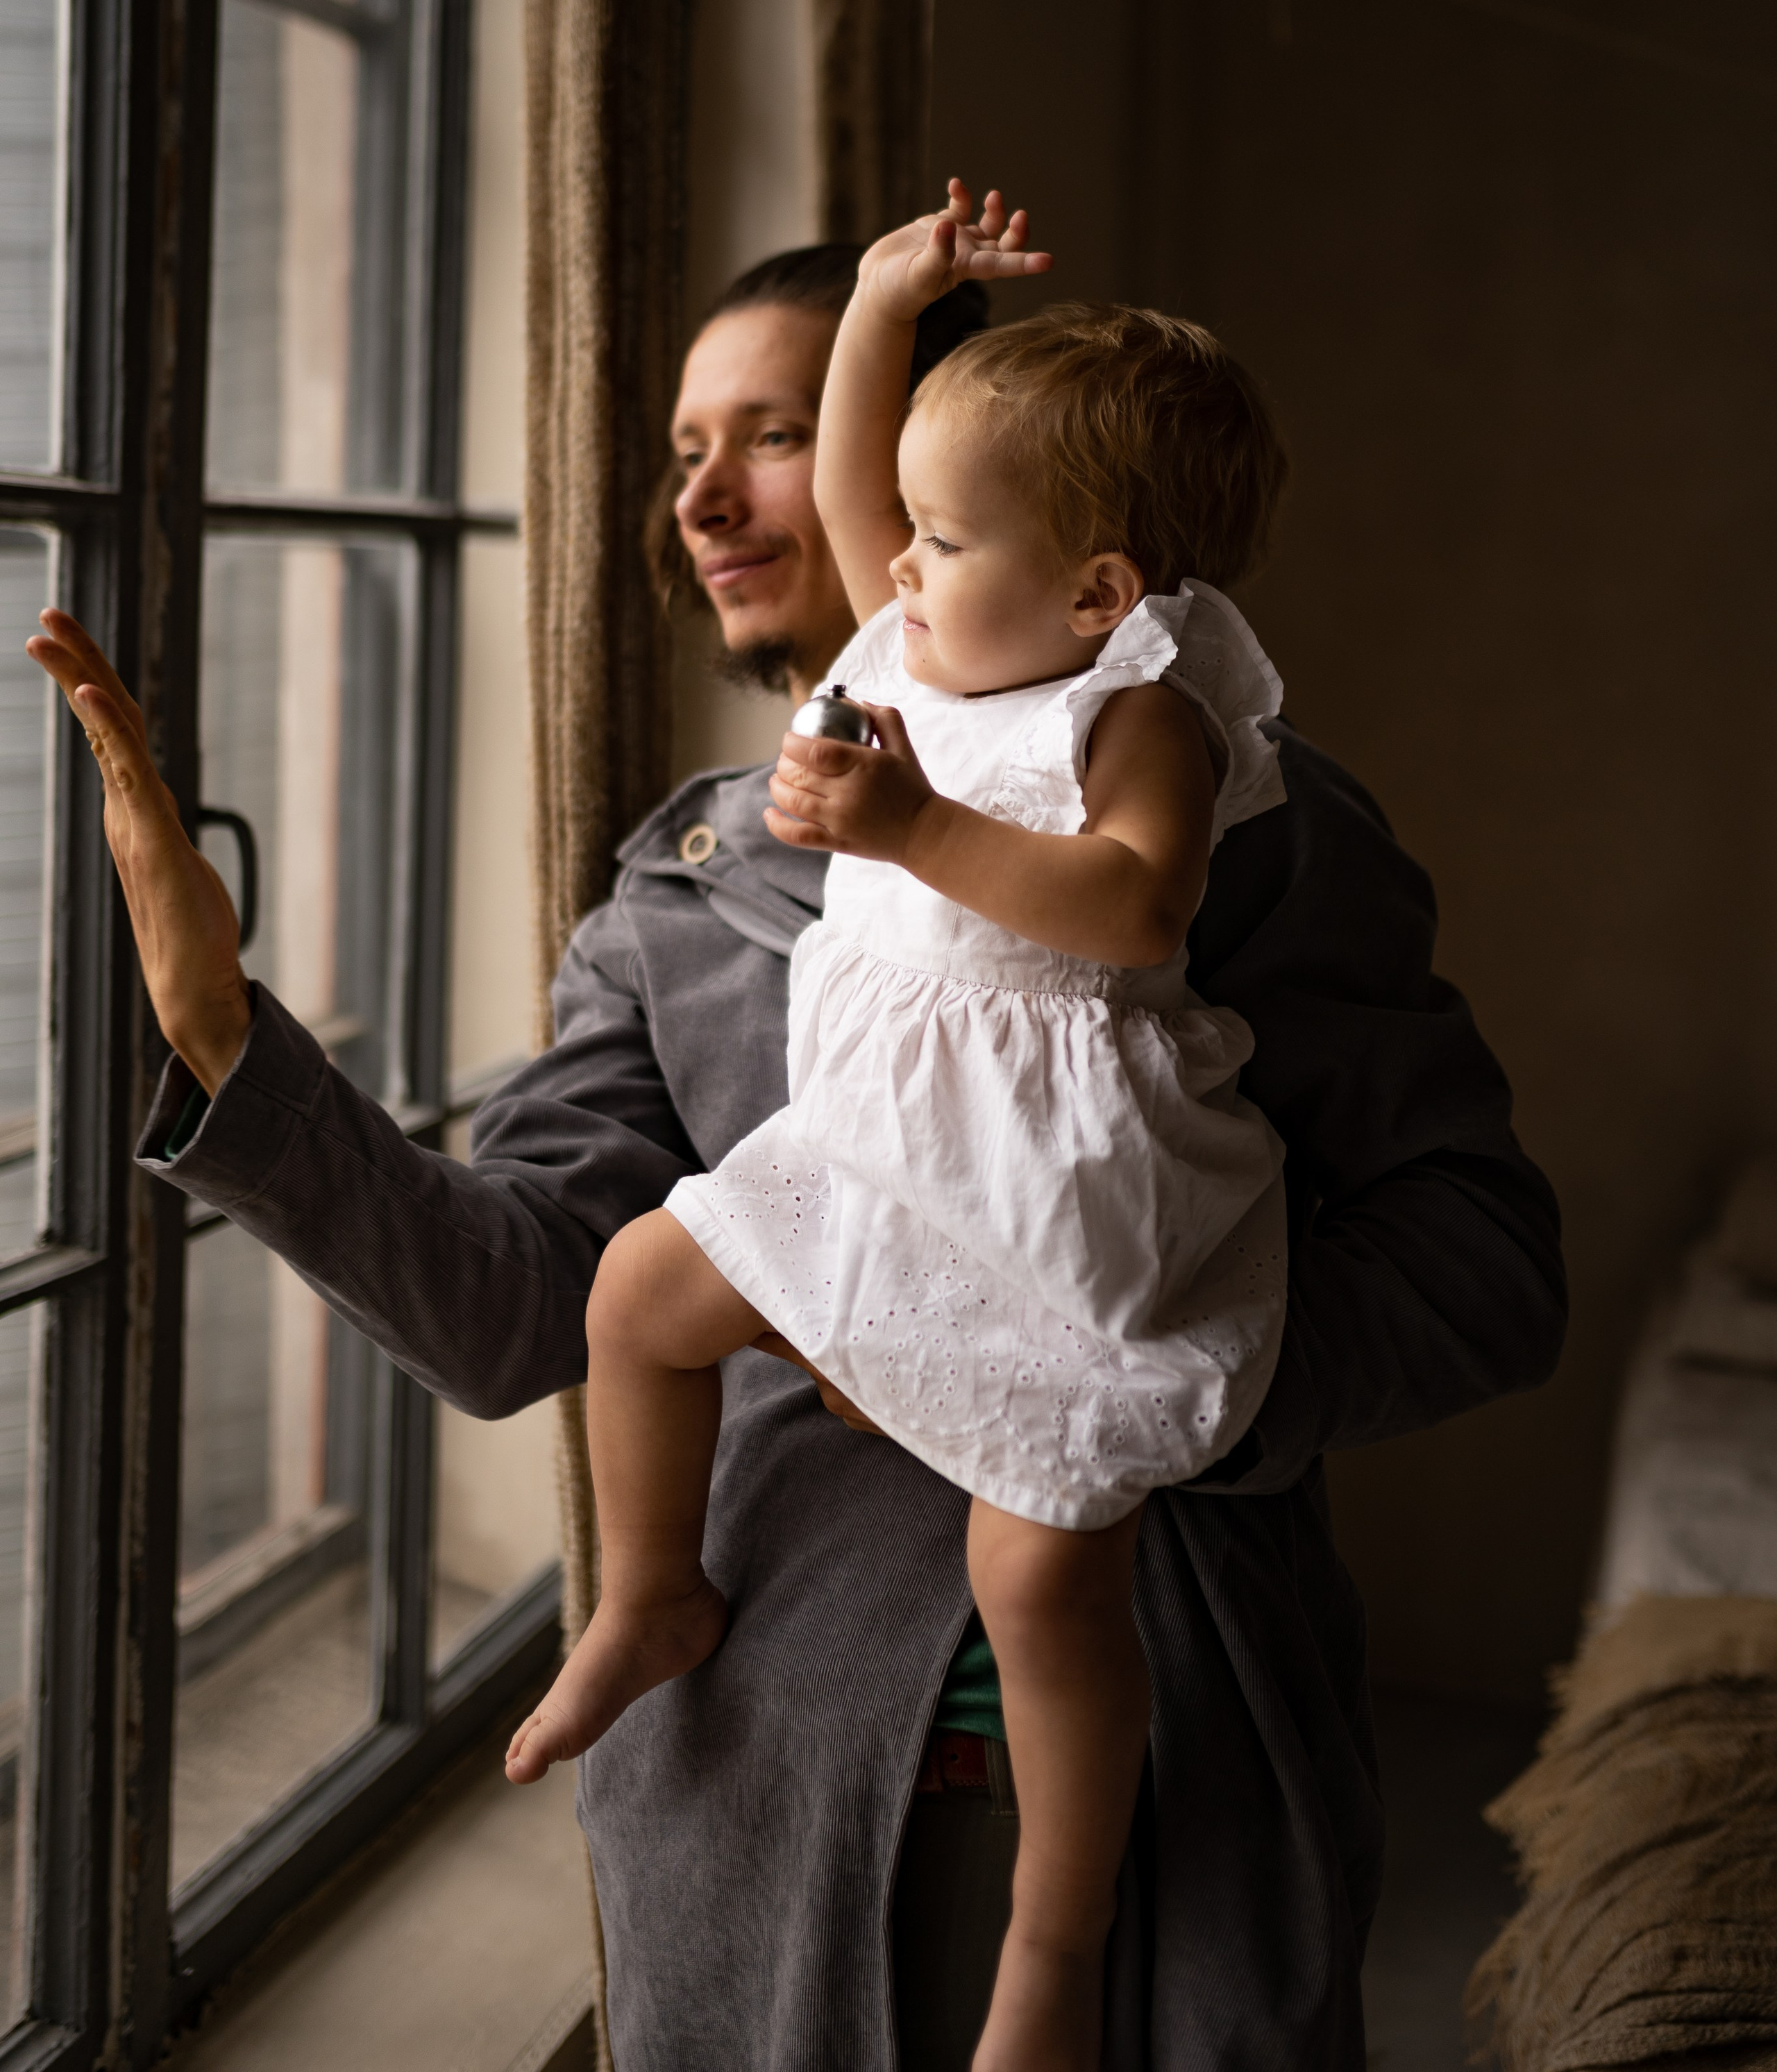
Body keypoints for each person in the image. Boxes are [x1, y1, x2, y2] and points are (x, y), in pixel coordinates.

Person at [26, 229, 1566, 2072]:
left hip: (1166, 1771)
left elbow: (1485, 1264)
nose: (707, 493)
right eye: (688, 446)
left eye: (769, 433)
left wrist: (1116, 1381)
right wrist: (223, 1044)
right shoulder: (672, 891)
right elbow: (522, 1312)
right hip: (761, 1782)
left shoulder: (1244, 811)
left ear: (1059, 536)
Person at [511, 185, 1305, 2072]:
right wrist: (881, 300)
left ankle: (1054, 1942)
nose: (899, 558)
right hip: (876, 1153)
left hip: (1048, 1193)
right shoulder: (919, 634)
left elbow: (1136, 913)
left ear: (1101, 590)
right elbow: (876, 477)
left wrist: (908, 833)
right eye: (911, 529)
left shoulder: (1143, 715)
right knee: (640, 1292)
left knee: (1042, 1577)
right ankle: (649, 1591)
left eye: (944, 537)